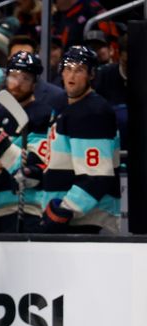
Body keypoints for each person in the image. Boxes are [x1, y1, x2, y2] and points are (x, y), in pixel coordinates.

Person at [40, 46, 120, 234]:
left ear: (92, 75)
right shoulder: (67, 108)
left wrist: (65, 209)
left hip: (90, 220)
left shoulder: (92, 112)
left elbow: (97, 176)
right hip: (74, 220)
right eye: (67, 69)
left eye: (79, 70)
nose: (72, 76)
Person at [0, 52, 53, 233]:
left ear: (35, 83)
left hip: (25, 208)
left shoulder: (43, 115)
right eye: (13, 76)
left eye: (25, 78)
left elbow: (37, 167)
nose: (18, 83)